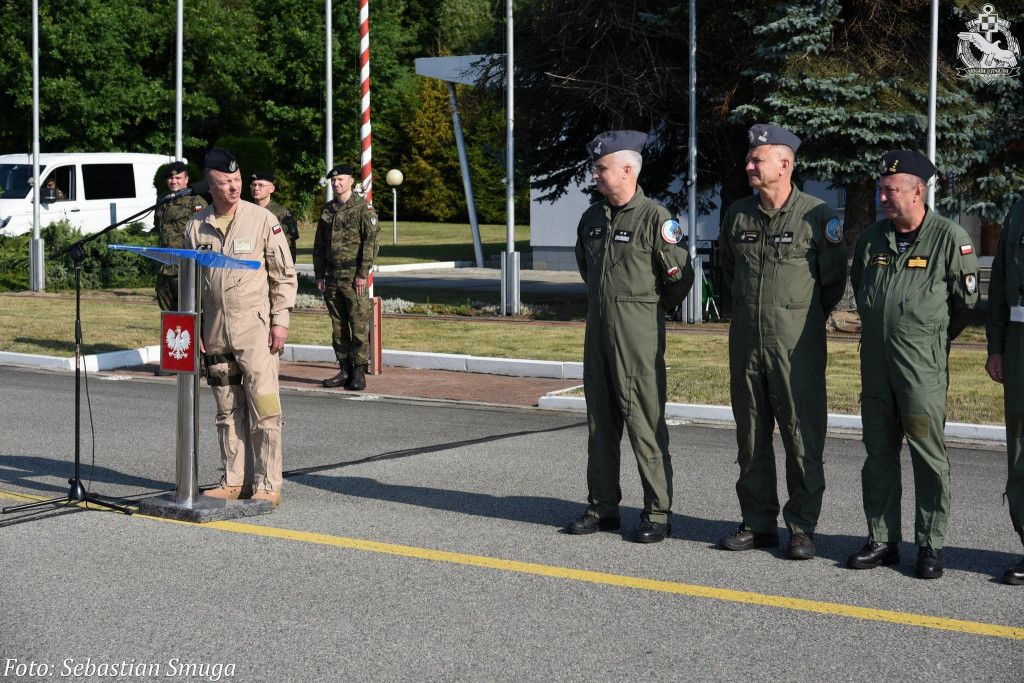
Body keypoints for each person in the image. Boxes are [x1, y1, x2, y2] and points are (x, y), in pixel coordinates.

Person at [717, 124, 848, 560]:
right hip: (747, 345)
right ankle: (758, 522)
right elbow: (725, 274)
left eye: (757, 159)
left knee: (801, 435)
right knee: (751, 436)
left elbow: (832, 284)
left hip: (797, 348)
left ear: (785, 164)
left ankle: (802, 526)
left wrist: (798, 320)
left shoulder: (818, 215)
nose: (749, 165)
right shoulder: (737, 214)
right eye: (750, 158)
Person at [847, 150, 979, 579]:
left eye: (892, 189)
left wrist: (929, 340)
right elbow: (861, 288)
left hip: (921, 368)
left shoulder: (948, 237)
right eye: (881, 189)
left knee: (927, 454)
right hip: (876, 367)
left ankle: (930, 545)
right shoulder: (872, 239)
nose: (883, 196)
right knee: (878, 453)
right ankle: (883, 540)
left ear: (919, 191)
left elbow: (965, 304)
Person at [566, 130, 694, 544]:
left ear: (627, 169)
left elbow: (678, 278)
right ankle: (602, 507)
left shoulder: (657, 218)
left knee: (644, 423)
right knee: (600, 424)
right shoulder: (592, 218)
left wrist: (644, 309)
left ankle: (657, 512)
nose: (595, 174)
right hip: (598, 332)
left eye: (601, 168)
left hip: (637, 334)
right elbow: (587, 269)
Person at [183, 147, 297, 508]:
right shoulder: (195, 224)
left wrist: (280, 321)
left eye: (237, 180)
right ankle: (234, 480)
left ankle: (266, 483)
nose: (234, 187)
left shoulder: (262, 219)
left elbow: (284, 276)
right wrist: (196, 326)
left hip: (255, 328)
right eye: (225, 182)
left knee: (264, 407)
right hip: (215, 329)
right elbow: (188, 281)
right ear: (209, 185)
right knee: (227, 408)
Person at [985, 198, 1024, 585]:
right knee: (1021, 449)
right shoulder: (1017, 211)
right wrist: (995, 345)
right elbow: (999, 283)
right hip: (1019, 347)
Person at [313, 163, 380, 391]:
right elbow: (319, 246)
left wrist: (363, 274)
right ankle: (344, 370)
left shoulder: (363, 209)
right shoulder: (328, 210)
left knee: (358, 325)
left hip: (354, 277)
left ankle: (359, 373)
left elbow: (371, 244)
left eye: (340, 179)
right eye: (333, 180)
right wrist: (319, 275)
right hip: (332, 276)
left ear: (351, 181)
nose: (336, 183)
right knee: (338, 326)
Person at [153, 161, 208, 313]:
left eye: (178, 178)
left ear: (186, 180)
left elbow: (203, 235)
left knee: (188, 311)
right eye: (171, 178)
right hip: (164, 267)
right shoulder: (163, 200)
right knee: (166, 312)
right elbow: (158, 227)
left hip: (185, 268)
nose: (174, 181)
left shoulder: (195, 202)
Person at [251, 171, 299, 262]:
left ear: (271, 189)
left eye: (260, 185)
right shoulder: (246, 211)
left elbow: (289, 245)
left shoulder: (281, 213)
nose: (256, 188)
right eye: (253, 185)